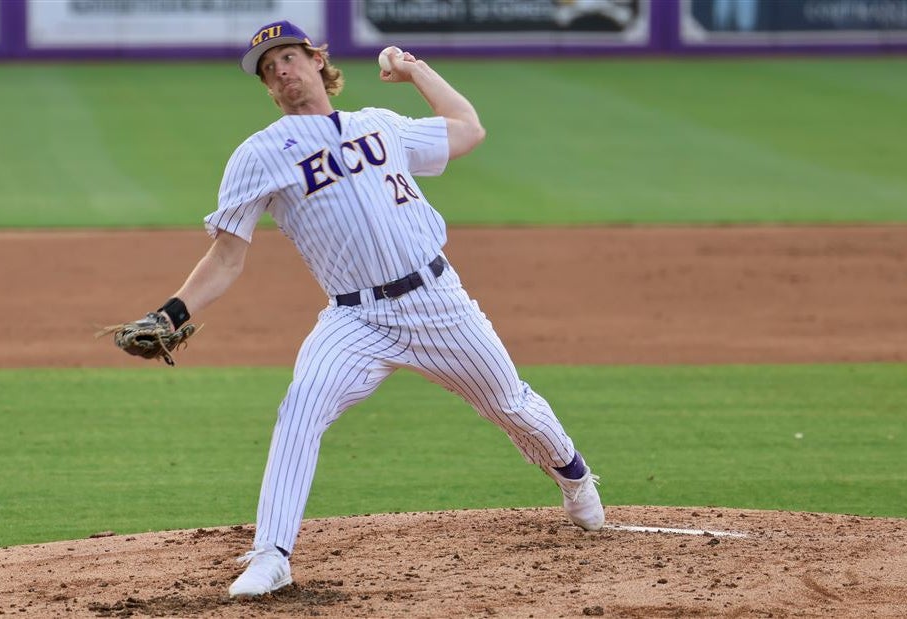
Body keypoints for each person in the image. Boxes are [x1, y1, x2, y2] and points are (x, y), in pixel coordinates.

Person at [132, 20, 604, 599]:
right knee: (300, 410)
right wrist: (174, 312)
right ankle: (271, 554)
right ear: (267, 86)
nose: (280, 71)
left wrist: (415, 71)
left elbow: (467, 129)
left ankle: (574, 477)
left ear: (316, 60)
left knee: (510, 404)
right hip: (354, 320)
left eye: (288, 57)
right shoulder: (258, 155)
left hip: (439, 303)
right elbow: (227, 256)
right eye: (267, 68)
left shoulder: (378, 123)